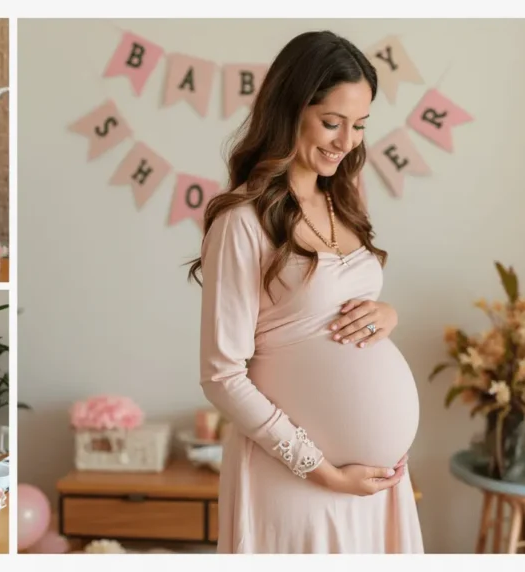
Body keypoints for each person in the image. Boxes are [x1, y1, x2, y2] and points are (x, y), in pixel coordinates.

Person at [187, 31, 421, 553]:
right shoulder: (241, 222)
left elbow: (339, 305)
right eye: (332, 122)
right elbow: (221, 375)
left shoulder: (345, 200)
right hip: (294, 478)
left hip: (375, 483)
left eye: (359, 125)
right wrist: (322, 471)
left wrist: (387, 315)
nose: (347, 141)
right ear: (289, 110)